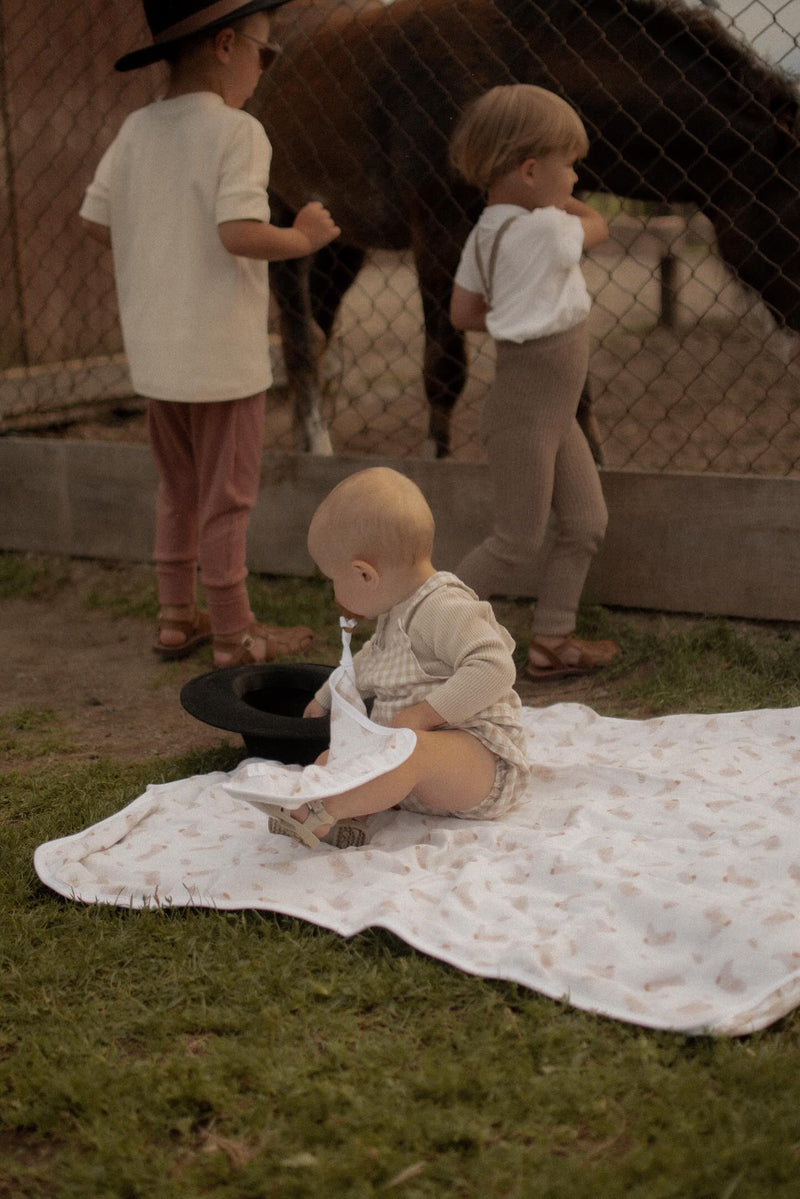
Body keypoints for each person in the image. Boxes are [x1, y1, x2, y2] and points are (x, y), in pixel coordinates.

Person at [80, 0, 341, 667]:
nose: (265, 67)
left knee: (179, 486)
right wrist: (303, 236)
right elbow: (238, 233)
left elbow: (95, 221)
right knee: (227, 496)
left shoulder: (137, 128)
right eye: (266, 51)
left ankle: (176, 616)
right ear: (226, 45)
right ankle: (234, 632)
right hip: (222, 358)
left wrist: (159, 237)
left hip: (157, 353)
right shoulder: (238, 132)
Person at [260, 466, 531, 849]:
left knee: (411, 754)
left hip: (477, 760)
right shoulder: (396, 611)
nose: (333, 592)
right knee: (335, 754)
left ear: (364, 574)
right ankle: (338, 815)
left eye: (332, 580)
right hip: (411, 764)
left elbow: (495, 666)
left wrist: (422, 715)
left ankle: (321, 813)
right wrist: (326, 696)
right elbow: (371, 663)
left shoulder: (443, 606)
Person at [449, 84, 619, 680]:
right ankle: (418, 629)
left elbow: (463, 314)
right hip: (530, 413)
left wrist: (512, 315)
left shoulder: (485, 234)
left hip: (546, 409)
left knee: (585, 521)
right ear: (528, 170)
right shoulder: (548, 229)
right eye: (568, 165)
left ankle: (552, 638)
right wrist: (569, 207)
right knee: (515, 540)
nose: (576, 179)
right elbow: (598, 226)